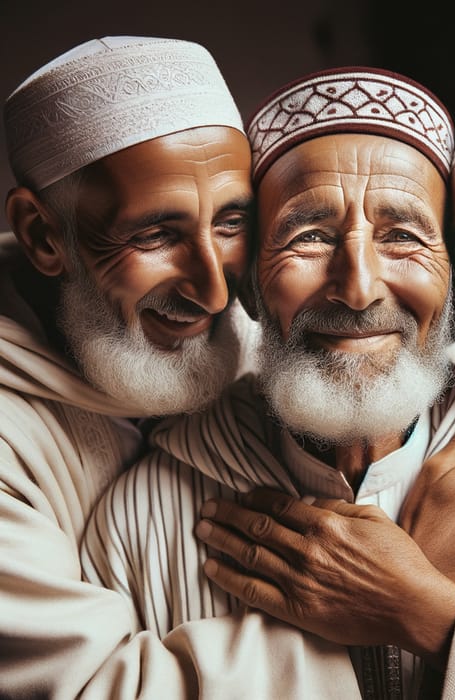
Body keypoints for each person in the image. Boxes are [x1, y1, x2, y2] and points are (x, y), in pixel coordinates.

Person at [81, 66, 455, 698]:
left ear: (452, 281)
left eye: (403, 236)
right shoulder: (135, 520)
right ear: (249, 284)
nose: (358, 288)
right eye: (309, 236)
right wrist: (414, 577)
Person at [0, 35, 281, 698]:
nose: (215, 293)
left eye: (231, 220)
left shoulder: (235, 338)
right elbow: (91, 688)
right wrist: (404, 601)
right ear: (44, 236)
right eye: (155, 234)